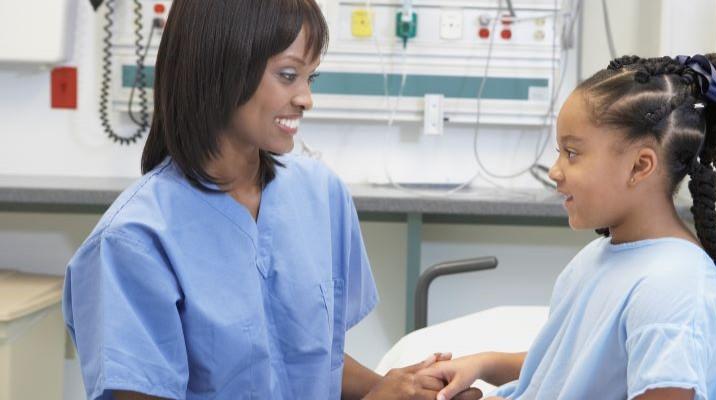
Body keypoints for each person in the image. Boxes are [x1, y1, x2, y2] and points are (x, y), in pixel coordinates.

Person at [62, 0, 482, 399]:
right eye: (287, 75)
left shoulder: (320, 195)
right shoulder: (132, 242)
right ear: (221, 69)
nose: (306, 98)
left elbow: (304, 360)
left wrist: (405, 389)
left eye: (309, 78)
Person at [418, 54, 716, 400]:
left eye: (572, 153)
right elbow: (566, 367)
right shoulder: (602, 257)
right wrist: (484, 364)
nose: (555, 170)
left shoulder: (674, 291)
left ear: (640, 166)